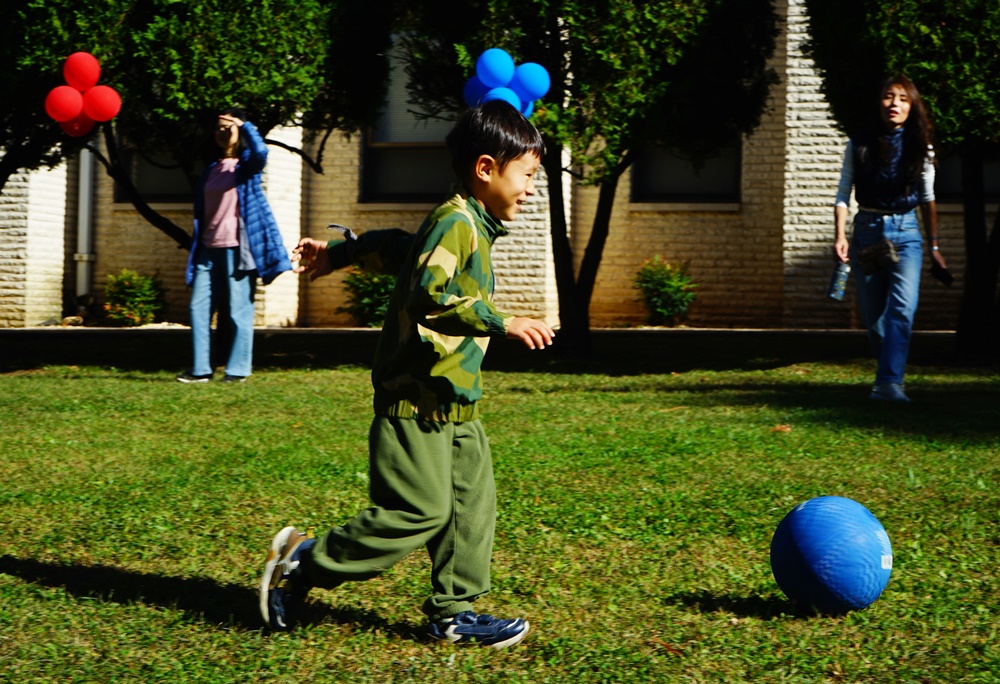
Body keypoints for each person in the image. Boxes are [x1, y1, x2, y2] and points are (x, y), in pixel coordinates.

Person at [259, 100, 554, 648]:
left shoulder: (473, 224)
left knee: (470, 508)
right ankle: (305, 561)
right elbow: (428, 297)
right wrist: (503, 321)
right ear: (486, 168)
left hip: (455, 399)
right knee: (417, 511)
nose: (532, 190)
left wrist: (344, 253)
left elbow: (404, 249)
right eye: (528, 175)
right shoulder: (456, 222)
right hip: (415, 399)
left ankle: (455, 612)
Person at [832, 74, 946, 402]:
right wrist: (840, 235)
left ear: (912, 107)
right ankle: (889, 379)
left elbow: (928, 198)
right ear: (879, 102)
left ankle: (888, 383)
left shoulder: (920, 147)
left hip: (907, 233)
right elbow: (843, 193)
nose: (894, 104)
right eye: (888, 96)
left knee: (902, 309)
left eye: (903, 99)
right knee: (874, 319)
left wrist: (933, 245)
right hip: (867, 231)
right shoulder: (859, 144)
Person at [176, 108, 291, 383]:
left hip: (238, 249)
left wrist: (245, 125)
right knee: (198, 308)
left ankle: (237, 370)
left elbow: (261, 152)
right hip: (207, 248)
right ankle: (201, 369)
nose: (221, 132)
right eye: (218, 127)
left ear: (239, 130)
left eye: (228, 127)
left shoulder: (247, 166)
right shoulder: (211, 168)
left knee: (239, 310)